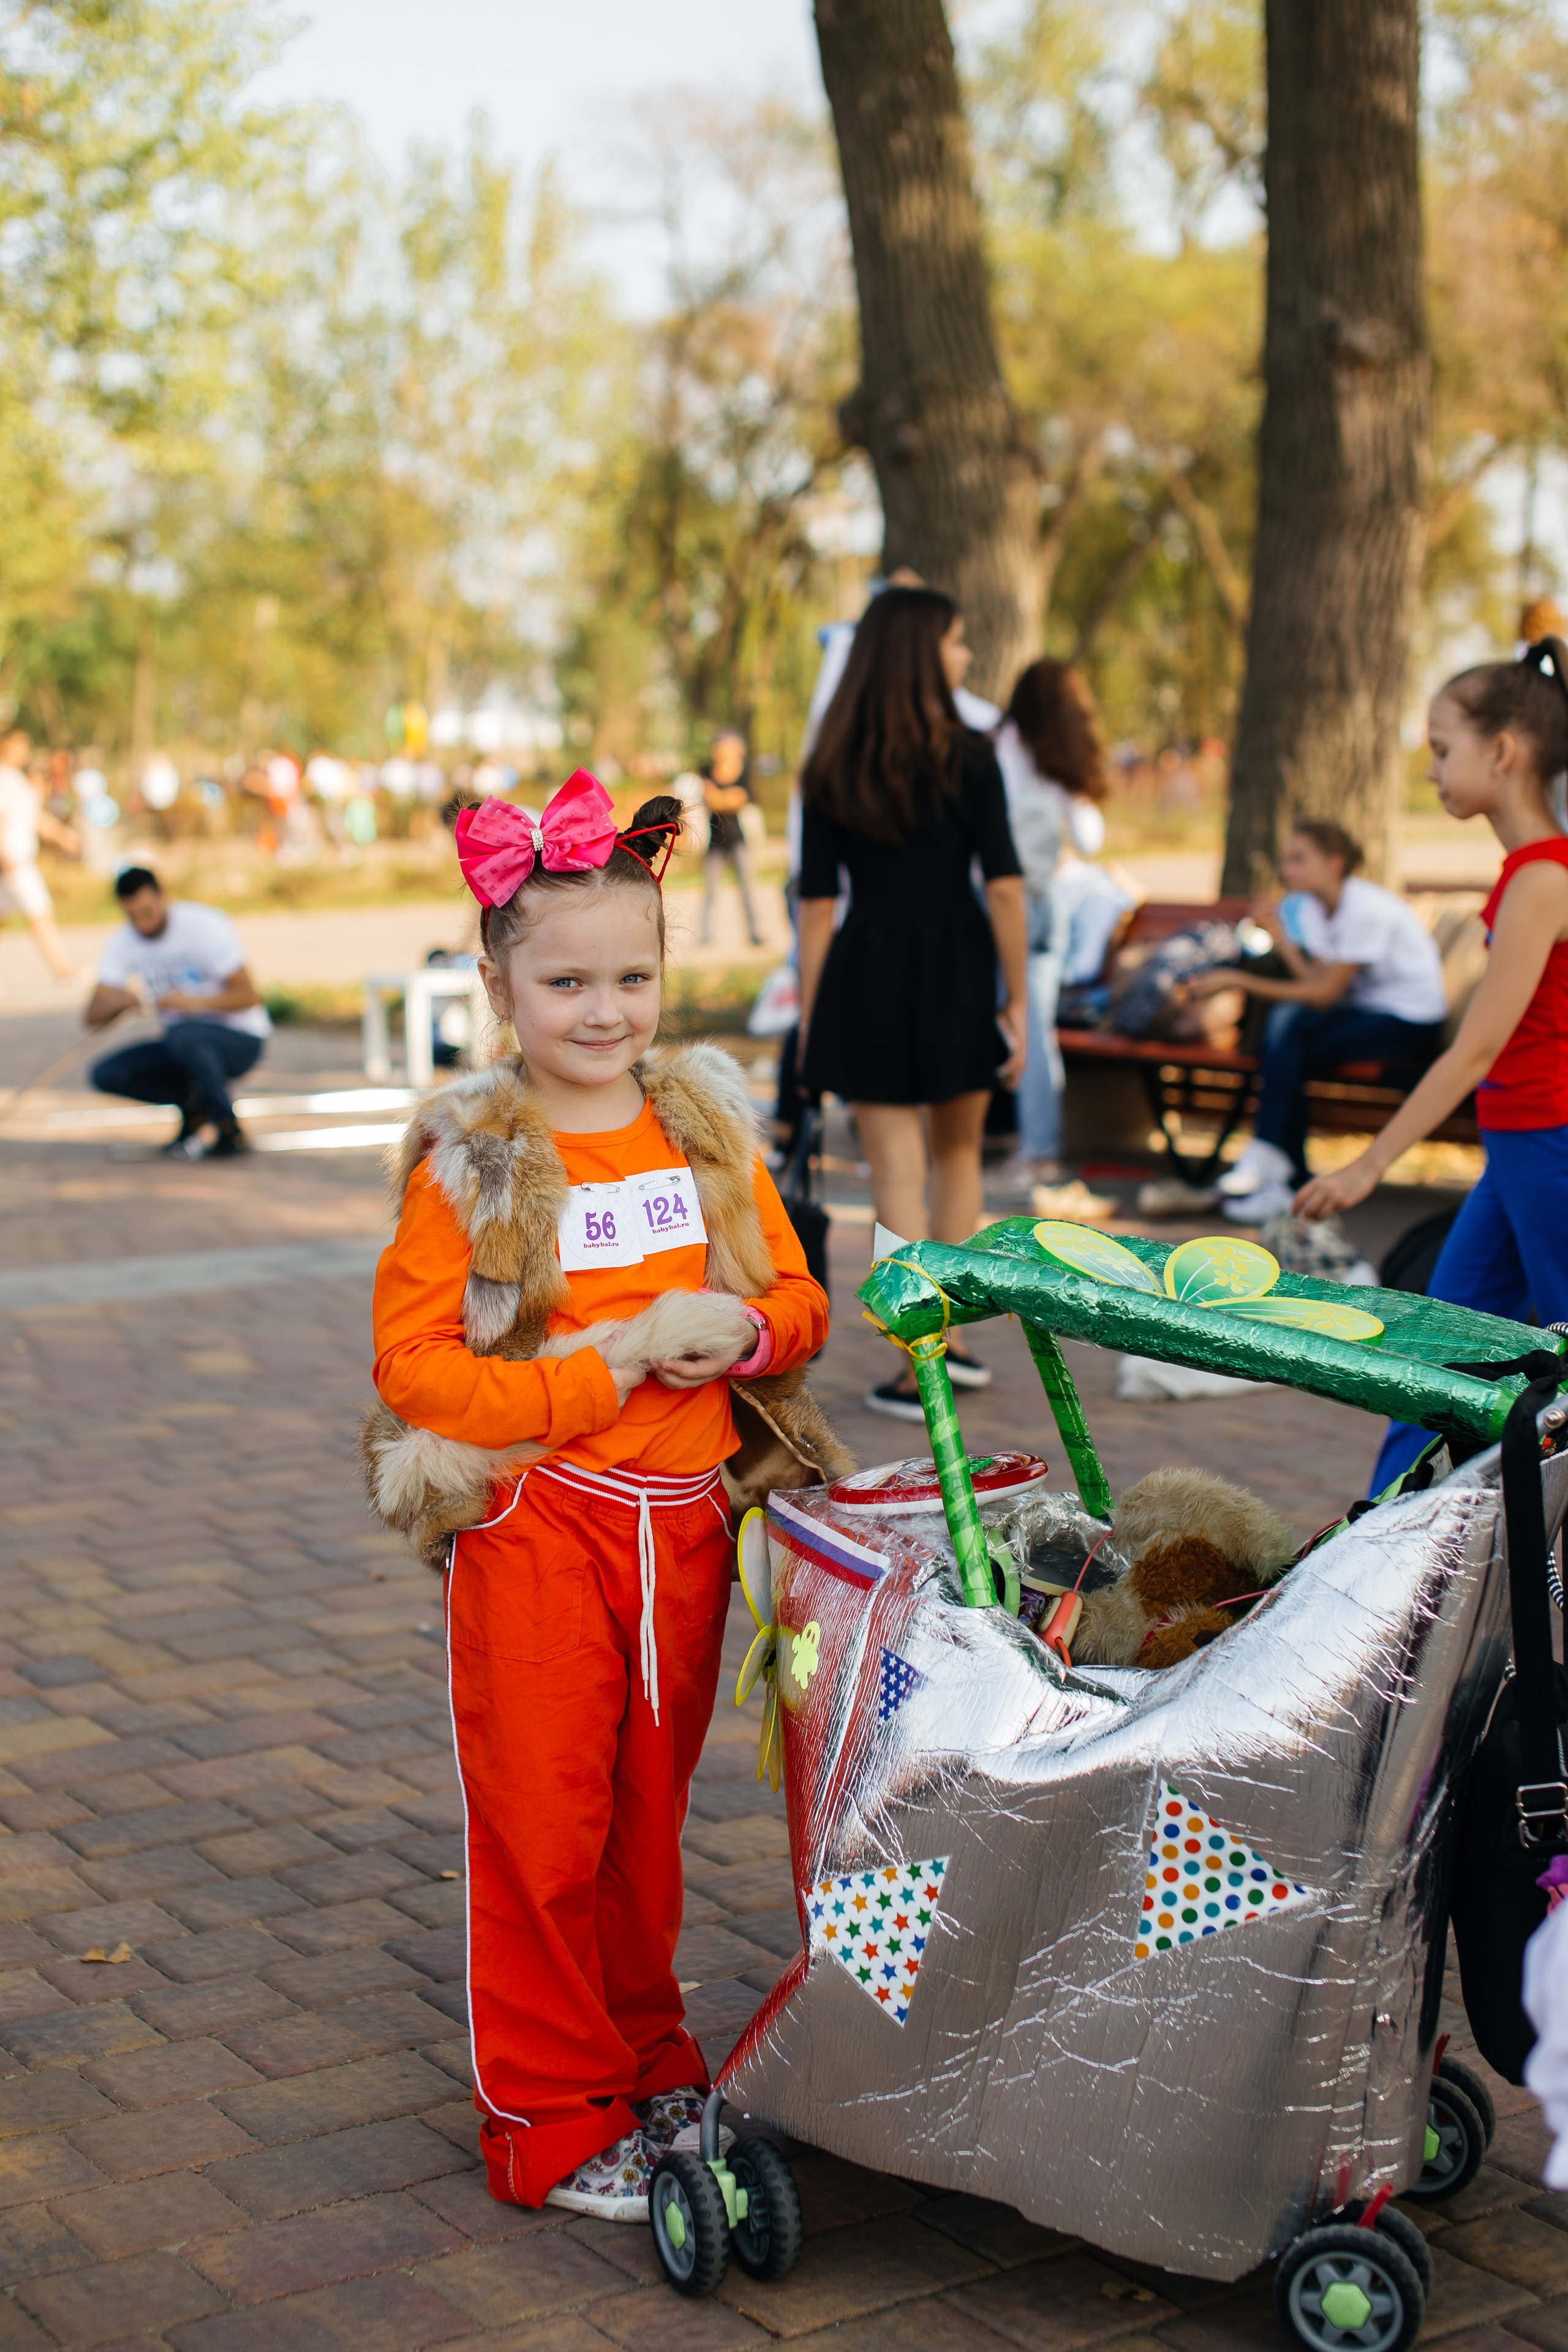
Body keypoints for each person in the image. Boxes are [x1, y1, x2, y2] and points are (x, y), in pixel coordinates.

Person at [369, 774, 829, 2220]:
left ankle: (646, 2051)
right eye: (564, 978)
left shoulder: (699, 1130)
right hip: (540, 1523)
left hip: (685, 1527)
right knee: (541, 1827)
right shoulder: (478, 1156)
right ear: (498, 979)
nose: (603, 1008)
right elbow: (418, 1370)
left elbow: (800, 1292)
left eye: (631, 975)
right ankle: (554, 2115)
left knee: (643, 1820)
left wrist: (746, 1332)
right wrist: (601, 1364)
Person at [1294, 639, 1568, 1493]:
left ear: (1504, 750)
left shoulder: (1544, 878)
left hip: (1549, 1153)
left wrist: (1371, 1165)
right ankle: (1378, 1541)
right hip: (1517, 1154)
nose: (1433, 771)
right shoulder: (1528, 875)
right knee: (1429, 1358)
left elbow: (1478, 1047)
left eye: (1442, 749)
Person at [796, 584, 1027, 1418]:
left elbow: (816, 904)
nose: (965, 657)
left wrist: (815, 1017)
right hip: (957, 962)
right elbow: (1003, 887)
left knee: (894, 1169)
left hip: (866, 967)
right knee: (957, 1159)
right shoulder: (971, 752)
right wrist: (1021, 1002)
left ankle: (913, 1361)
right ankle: (952, 1339)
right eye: (958, 643)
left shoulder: (831, 761)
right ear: (925, 655)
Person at [1187, 818, 1448, 1223]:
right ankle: (1280, 1172)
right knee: (1289, 1040)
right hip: (1367, 1010)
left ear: (1334, 862)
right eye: (1286, 861)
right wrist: (1284, 942)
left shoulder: (1367, 909)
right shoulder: (1311, 909)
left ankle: (1278, 1169)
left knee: (1289, 1038)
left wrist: (1238, 979)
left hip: (1409, 1021)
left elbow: (1324, 996)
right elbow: (1316, 984)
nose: (1287, 870)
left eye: (1298, 860)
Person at [990, 658, 1110, 1194]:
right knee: (1036, 1027)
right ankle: (1039, 1151)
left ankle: (1033, 1152)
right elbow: (1089, 838)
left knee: (1018, 1024)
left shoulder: (1002, 742)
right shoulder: (1059, 758)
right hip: (1049, 904)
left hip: (1005, 901)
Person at [85, 867, 270, 1160]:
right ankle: (194, 1110)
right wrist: (120, 1000)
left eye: (148, 912)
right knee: (107, 1073)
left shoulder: (203, 925)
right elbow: (92, 1015)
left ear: (163, 896)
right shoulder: (125, 941)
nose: (144, 924)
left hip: (240, 1038)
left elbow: (249, 996)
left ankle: (228, 1128)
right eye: (133, 916)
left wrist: (194, 1003)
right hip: (181, 1044)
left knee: (184, 1036)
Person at [0, 728, 81, 979]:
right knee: (40, 912)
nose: (24, 751)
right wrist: (4, 858)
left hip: (18, 860)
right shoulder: (4, 779)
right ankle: (63, 969)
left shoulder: (18, 779)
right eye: (18, 745)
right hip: (13, 862)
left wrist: (62, 835)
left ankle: (63, 968)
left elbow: (34, 818)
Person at [698, 729, 763, 948]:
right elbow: (709, 800)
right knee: (711, 890)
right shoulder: (707, 770)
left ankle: (755, 932)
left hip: (737, 840)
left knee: (747, 889)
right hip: (715, 841)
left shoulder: (743, 773)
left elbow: (741, 800)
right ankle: (705, 935)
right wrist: (727, 798)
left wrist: (719, 798)